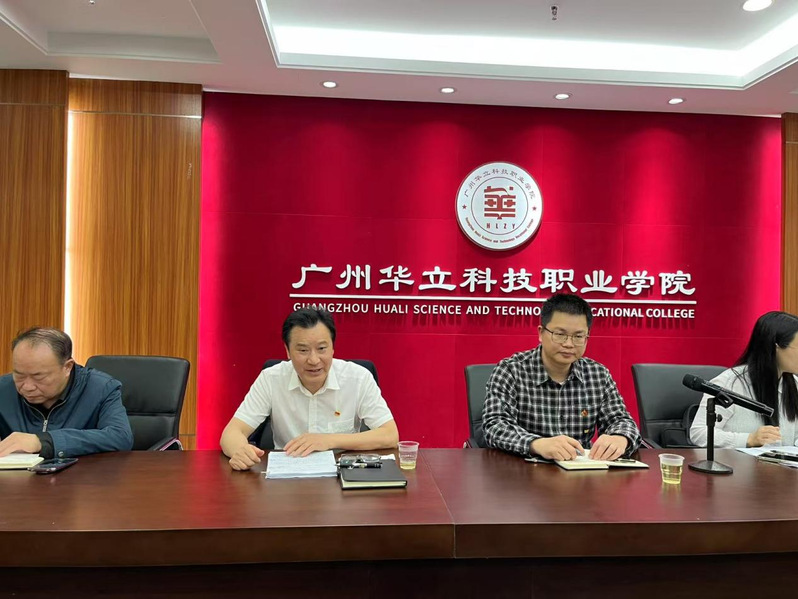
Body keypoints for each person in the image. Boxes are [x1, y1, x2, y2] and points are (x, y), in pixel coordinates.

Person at [221, 308, 399, 470]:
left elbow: (390, 435)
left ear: (332, 348)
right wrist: (240, 451)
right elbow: (231, 433)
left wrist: (328, 440)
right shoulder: (271, 379)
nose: (314, 360)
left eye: (321, 348)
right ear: (287, 351)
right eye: (303, 350)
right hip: (286, 478)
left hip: (342, 478)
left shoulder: (358, 378)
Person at [483, 293, 641, 461]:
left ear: (587, 338)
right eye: (560, 334)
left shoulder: (598, 374)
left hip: (581, 471)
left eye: (578, 336)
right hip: (525, 469)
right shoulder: (511, 370)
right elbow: (495, 426)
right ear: (541, 333)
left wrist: (620, 437)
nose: (568, 344)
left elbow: (622, 421)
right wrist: (537, 444)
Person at [0, 327, 133, 458]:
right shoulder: (3, 389)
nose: (27, 387)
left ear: (67, 367)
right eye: (19, 375)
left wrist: (45, 441)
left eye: (38, 377)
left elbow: (120, 437)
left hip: (81, 471)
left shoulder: (101, 388)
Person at [690, 311, 798, 448]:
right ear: (776, 347)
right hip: (738, 461)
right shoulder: (730, 383)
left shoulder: (794, 384)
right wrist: (749, 439)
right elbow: (699, 433)